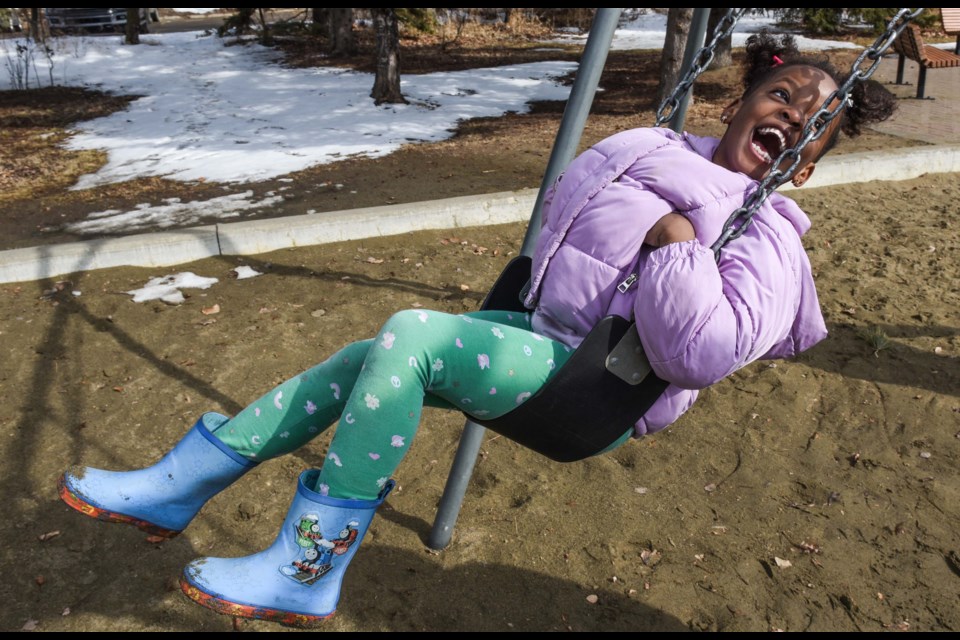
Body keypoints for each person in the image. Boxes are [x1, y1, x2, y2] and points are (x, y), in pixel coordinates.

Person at [57, 31, 897, 628]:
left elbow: (698, 351)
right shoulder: (666, 146)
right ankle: (183, 482)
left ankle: (307, 569)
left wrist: (677, 241)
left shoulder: (773, 241)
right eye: (780, 94)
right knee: (366, 360)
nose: (792, 114)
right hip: (535, 330)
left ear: (816, 156)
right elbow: (569, 221)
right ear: (740, 102)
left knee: (413, 335)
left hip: (590, 392)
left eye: (814, 118)